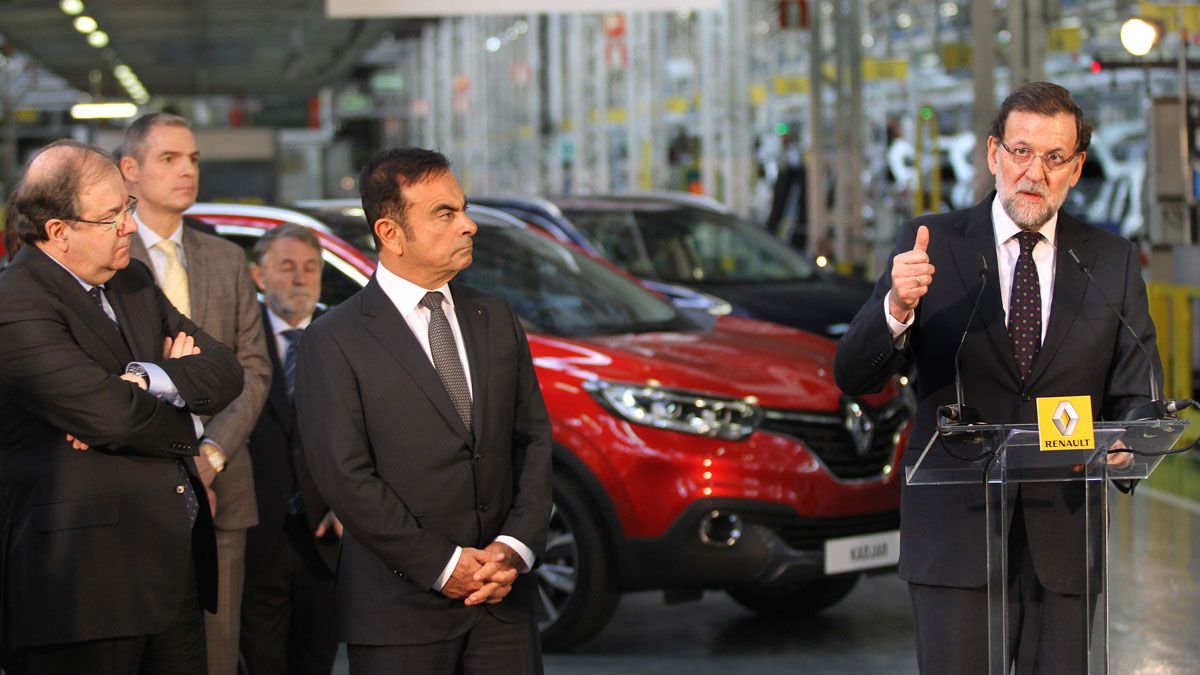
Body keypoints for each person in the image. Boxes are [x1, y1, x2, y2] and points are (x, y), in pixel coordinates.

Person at [834, 81, 1161, 674]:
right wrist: (895, 310)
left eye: (1054, 157)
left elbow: (1140, 392)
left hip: (1062, 542)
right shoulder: (929, 246)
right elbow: (853, 374)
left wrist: (1130, 439)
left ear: (1077, 168)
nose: (1034, 172)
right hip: (954, 540)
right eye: (1020, 151)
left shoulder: (1111, 260)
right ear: (993, 155)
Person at [295, 147, 553, 674]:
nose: (469, 225)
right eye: (445, 214)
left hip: (502, 606)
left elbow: (534, 439)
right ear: (390, 233)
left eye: (463, 208)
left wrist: (513, 547)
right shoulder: (333, 340)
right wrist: (444, 565)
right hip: (399, 617)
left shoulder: (495, 317)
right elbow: (345, 478)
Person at [0, 140, 243, 674]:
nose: (130, 227)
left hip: (172, 572)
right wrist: (184, 406)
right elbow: (112, 416)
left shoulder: (131, 280)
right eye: (111, 216)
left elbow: (225, 370)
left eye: (128, 207)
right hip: (84, 590)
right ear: (58, 232)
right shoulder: (16, 304)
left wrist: (141, 378)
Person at [118, 112, 271, 675]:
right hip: (131, 486)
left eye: (194, 159)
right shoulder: (108, 260)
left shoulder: (226, 259)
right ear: (129, 170)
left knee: (215, 651)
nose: (187, 170)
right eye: (170, 158)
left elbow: (253, 368)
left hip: (222, 484)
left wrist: (208, 457)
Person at [240, 224, 340, 675]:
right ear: (259, 278)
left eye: (310, 267)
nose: (301, 278)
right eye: (287, 267)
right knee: (260, 660)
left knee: (315, 659)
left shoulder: (344, 338)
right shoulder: (236, 338)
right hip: (257, 532)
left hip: (327, 537)